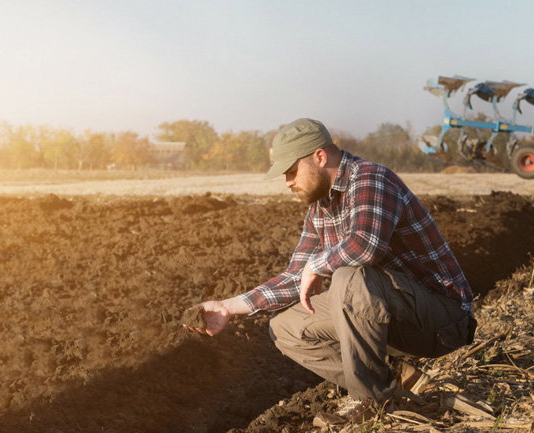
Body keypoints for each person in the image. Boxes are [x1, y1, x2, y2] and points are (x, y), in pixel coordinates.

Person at [185, 118, 476, 428]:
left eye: (291, 171)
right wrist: (229, 306)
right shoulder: (320, 209)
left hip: (442, 321)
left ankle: (373, 403)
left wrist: (317, 265)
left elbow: (364, 246)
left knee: (348, 278)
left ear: (319, 157)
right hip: (394, 315)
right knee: (286, 327)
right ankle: (397, 378)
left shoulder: (370, 179)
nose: (287, 182)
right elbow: (297, 276)